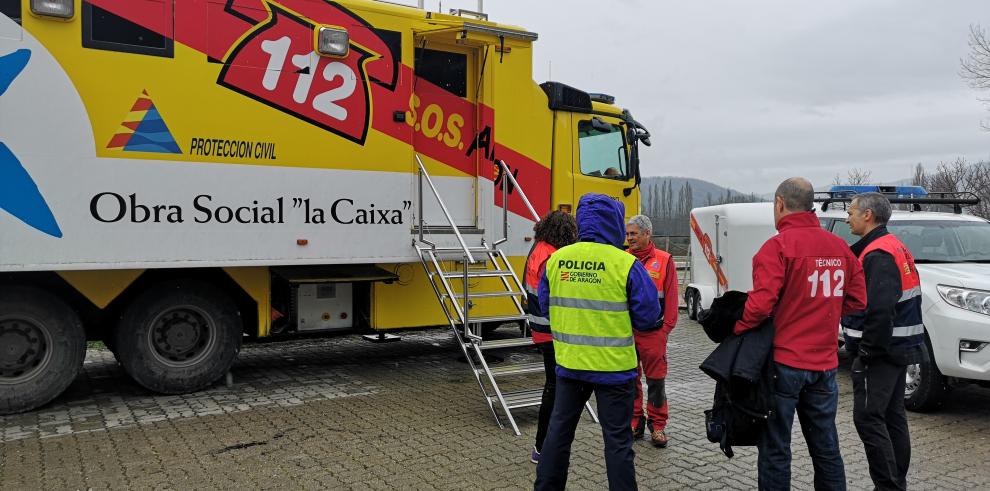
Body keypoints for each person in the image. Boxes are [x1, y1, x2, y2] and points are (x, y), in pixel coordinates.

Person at [733, 177, 867, 490]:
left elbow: (760, 304)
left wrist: (738, 328)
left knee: (776, 447)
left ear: (779, 204)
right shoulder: (839, 248)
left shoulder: (777, 247)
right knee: (826, 447)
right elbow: (859, 300)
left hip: (783, 366)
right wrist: (824, 311)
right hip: (825, 366)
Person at [534, 193, 661, 491]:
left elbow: (544, 308)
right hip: (614, 370)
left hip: (570, 366)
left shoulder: (556, 260)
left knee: (558, 436)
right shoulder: (626, 264)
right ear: (616, 222)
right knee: (617, 443)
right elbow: (648, 317)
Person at [844, 192, 926, 491]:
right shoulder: (894, 246)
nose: (846, 216)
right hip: (899, 349)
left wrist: (866, 351)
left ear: (868, 215)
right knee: (892, 418)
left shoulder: (877, 253)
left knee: (868, 419)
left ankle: (888, 486)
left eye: (851, 211)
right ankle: (896, 483)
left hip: (881, 352)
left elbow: (879, 309)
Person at [523, 210, 578, 465]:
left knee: (553, 386)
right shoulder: (553, 256)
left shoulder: (537, 250)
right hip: (553, 330)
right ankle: (542, 446)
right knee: (554, 389)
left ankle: (543, 446)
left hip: (539, 328)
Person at [625, 215, 679, 447]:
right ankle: (635, 421)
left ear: (648, 234)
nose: (629, 239)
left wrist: (665, 329)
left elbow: (672, 298)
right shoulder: (623, 259)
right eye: (627, 234)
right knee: (630, 379)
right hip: (627, 333)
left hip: (654, 333)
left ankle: (658, 426)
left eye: (633, 234)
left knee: (656, 382)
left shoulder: (665, 260)